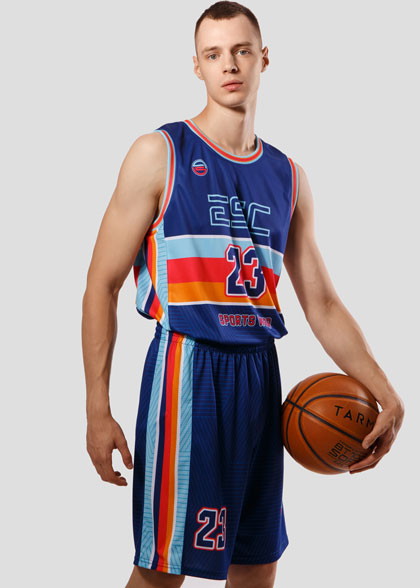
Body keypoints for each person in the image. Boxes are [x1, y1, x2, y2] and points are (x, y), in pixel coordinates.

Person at [81, 2, 405, 587]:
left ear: (263, 59)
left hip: (260, 373)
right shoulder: (160, 153)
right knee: (163, 570)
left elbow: (322, 303)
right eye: (213, 54)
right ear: (197, 67)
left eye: (241, 51)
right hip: (187, 369)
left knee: (257, 564)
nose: (228, 64)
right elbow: (100, 285)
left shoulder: (288, 175)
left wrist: (386, 393)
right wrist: (96, 409)